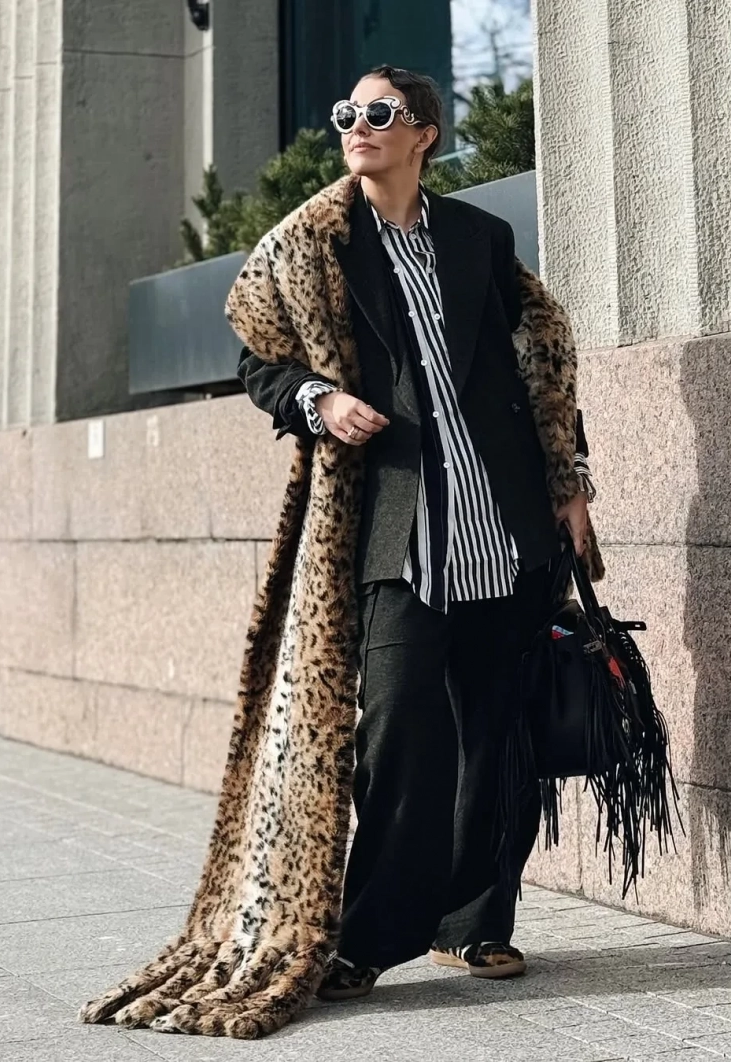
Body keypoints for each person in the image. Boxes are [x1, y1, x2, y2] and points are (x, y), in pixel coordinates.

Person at [237, 66, 598, 1002]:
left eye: (379, 114)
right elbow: (260, 359)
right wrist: (320, 400)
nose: (357, 126)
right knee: (397, 729)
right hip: (400, 528)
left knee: (500, 733)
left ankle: (475, 926)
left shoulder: (480, 237)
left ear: (424, 133)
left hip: (503, 522)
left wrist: (569, 485)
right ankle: (371, 937)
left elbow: (541, 361)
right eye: (347, 113)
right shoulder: (317, 244)